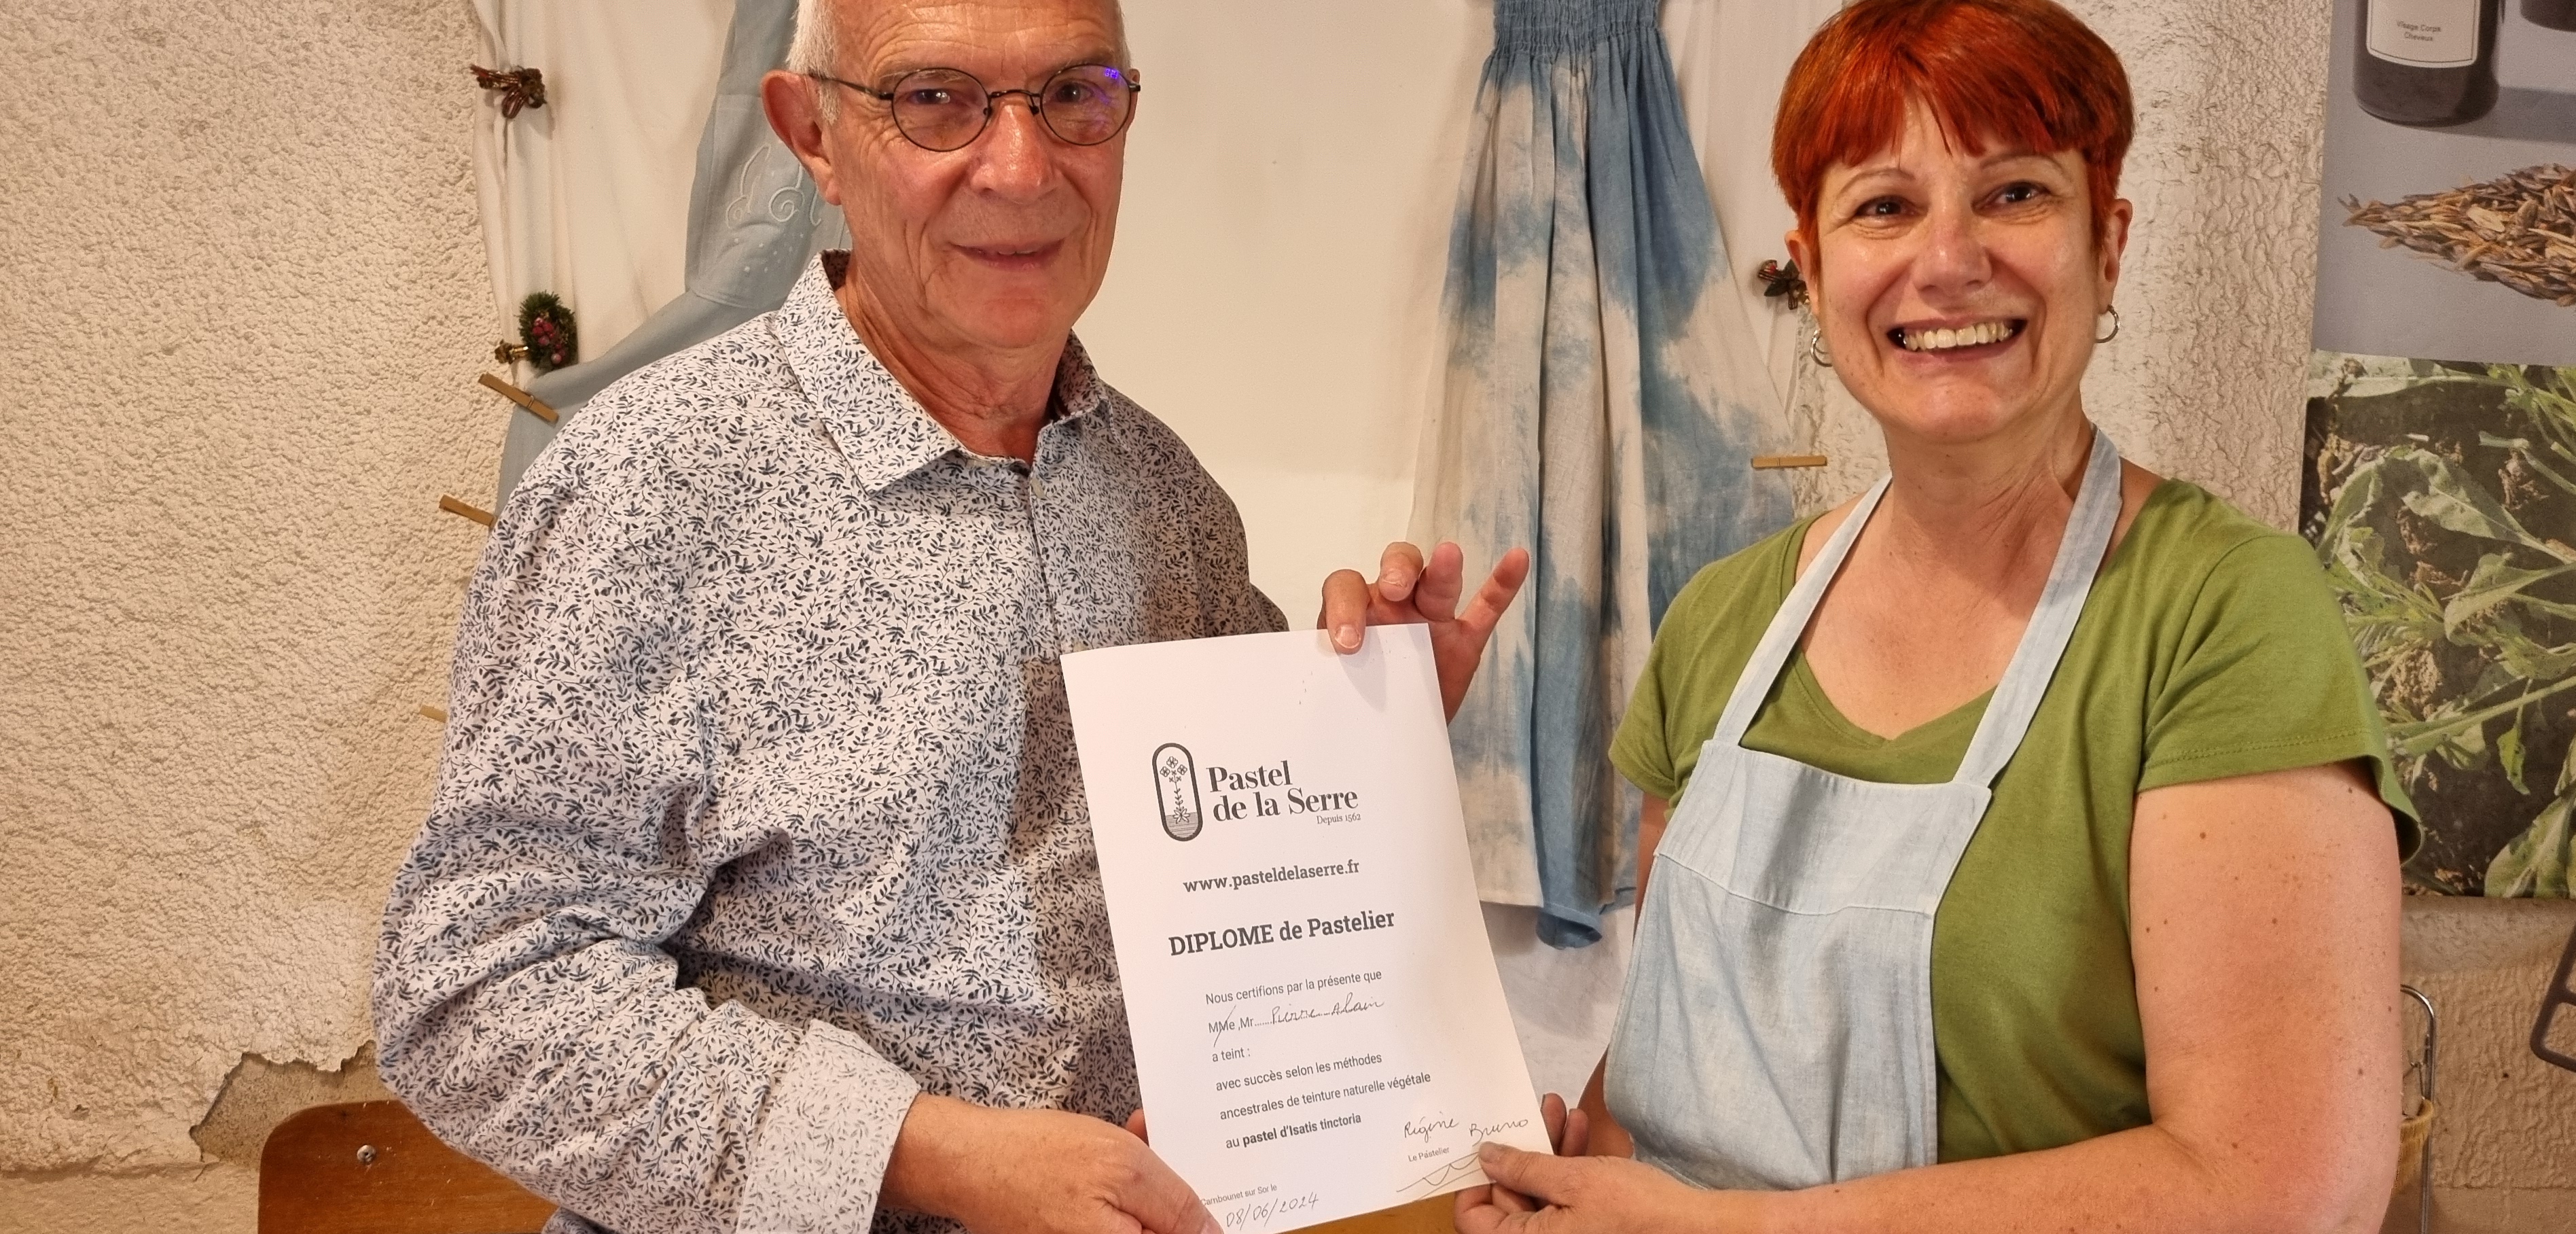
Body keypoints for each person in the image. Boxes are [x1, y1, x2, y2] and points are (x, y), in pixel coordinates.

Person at [370, 2, 1523, 1233]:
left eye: (1074, 94)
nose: (1022, 168)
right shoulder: (648, 490)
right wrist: (915, 1152)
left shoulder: (1169, 498)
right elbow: (472, 993)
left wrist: (1371, 726)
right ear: (811, 133)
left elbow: (1232, 890)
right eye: (935, 98)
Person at [1454, 1, 2420, 1231]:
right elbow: (1678, 1067)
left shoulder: (2220, 616)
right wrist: (1581, 1163)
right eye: (1883, 205)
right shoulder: (1723, 624)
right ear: (1811, 267)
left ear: (2106, 245)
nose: (1949, 258)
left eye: (2015, 194)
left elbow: (2286, 1187)